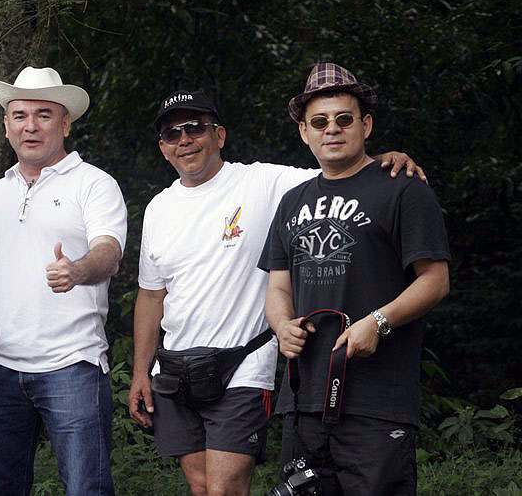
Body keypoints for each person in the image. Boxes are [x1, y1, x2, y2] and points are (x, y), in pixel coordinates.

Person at [128, 89, 425, 496]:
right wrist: (140, 372)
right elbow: (151, 295)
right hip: (176, 368)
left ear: (219, 135)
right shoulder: (158, 208)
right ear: (162, 147)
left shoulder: (265, 182)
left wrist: (387, 160)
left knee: (224, 490)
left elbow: (342, 169)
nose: (185, 139)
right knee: (200, 487)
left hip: (242, 362)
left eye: (195, 128)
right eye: (172, 133)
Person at [258, 62, 450, 495]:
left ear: (366, 125)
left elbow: (435, 280)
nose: (332, 129)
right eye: (319, 122)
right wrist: (282, 326)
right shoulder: (292, 201)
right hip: (304, 400)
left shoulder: (403, 188)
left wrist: (377, 323)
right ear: (304, 132)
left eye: (344, 119)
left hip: (376, 401)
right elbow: (279, 286)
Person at [0, 66, 126, 496]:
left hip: (73, 364)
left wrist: (77, 270)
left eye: (44, 115)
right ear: (6, 125)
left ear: (65, 124)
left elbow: (109, 252)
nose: (30, 126)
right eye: (20, 115)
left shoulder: (94, 184)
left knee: (87, 489)